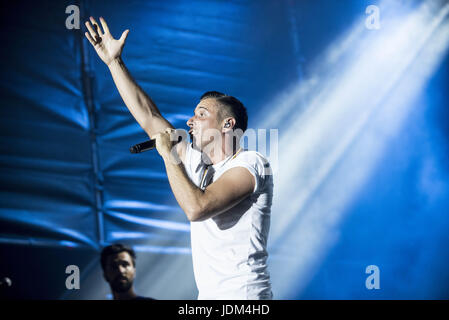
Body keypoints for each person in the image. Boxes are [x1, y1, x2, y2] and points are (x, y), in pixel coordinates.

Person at [85, 17, 273, 300]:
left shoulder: (252, 164)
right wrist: (114, 63)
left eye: (201, 114)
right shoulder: (200, 164)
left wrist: (168, 157)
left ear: (227, 125)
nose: (190, 120)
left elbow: (197, 208)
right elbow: (150, 117)